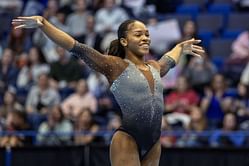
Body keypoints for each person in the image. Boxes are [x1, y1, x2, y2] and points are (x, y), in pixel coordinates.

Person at [12, 15, 204, 166]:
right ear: (124, 41)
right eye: (138, 34)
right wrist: (44, 24)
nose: (145, 38)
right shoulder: (114, 65)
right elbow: (76, 47)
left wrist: (179, 47)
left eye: (146, 34)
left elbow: (169, 59)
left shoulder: (154, 67)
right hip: (128, 139)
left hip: (154, 142)